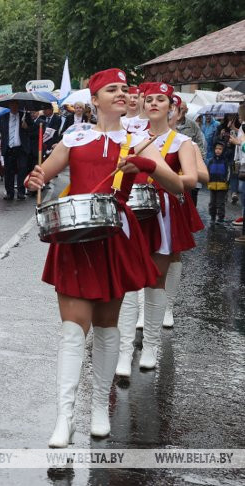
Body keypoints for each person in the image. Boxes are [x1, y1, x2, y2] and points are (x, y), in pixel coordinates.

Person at [24, 68, 183, 447]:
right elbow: (45, 172)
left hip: (114, 236)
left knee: (107, 326)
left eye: (124, 89)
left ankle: (98, 407)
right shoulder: (75, 136)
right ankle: (64, 418)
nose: (121, 94)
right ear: (94, 99)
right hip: (76, 238)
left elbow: (178, 186)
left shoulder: (142, 140)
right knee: (71, 330)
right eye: (111, 90)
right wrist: (36, 179)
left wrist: (145, 166)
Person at [114, 82, 199, 378]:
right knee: (127, 283)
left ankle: (149, 347)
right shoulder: (131, 137)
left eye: (159, 100)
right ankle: (124, 351)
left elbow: (190, 179)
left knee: (155, 281)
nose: (152, 103)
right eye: (148, 99)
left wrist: (157, 170)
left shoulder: (182, 142)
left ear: (170, 107)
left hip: (162, 211)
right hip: (132, 210)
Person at [0, 99, 37, 200]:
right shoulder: (3, 117)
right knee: (9, 172)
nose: (14, 107)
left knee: (22, 170)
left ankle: (21, 192)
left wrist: (27, 127)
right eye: (12, 105)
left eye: (16, 105)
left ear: (18, 105)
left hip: (21, 148)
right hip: (8, 148)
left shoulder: (25, 116)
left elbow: (34, 131)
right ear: (9, 106)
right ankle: (9, 193)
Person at [207, 142, 230, 223]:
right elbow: (208, 172)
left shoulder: (225, 161)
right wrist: (208, 180)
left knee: (220, 203)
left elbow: (228, 172)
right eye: (216, 149)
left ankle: (220, 218)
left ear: (223, 150)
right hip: (212, 184)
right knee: (212, 202)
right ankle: (212, 216)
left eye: (220, 149)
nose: (218, 150)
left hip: (222, 185)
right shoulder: (211, 161)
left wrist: (226, 182)